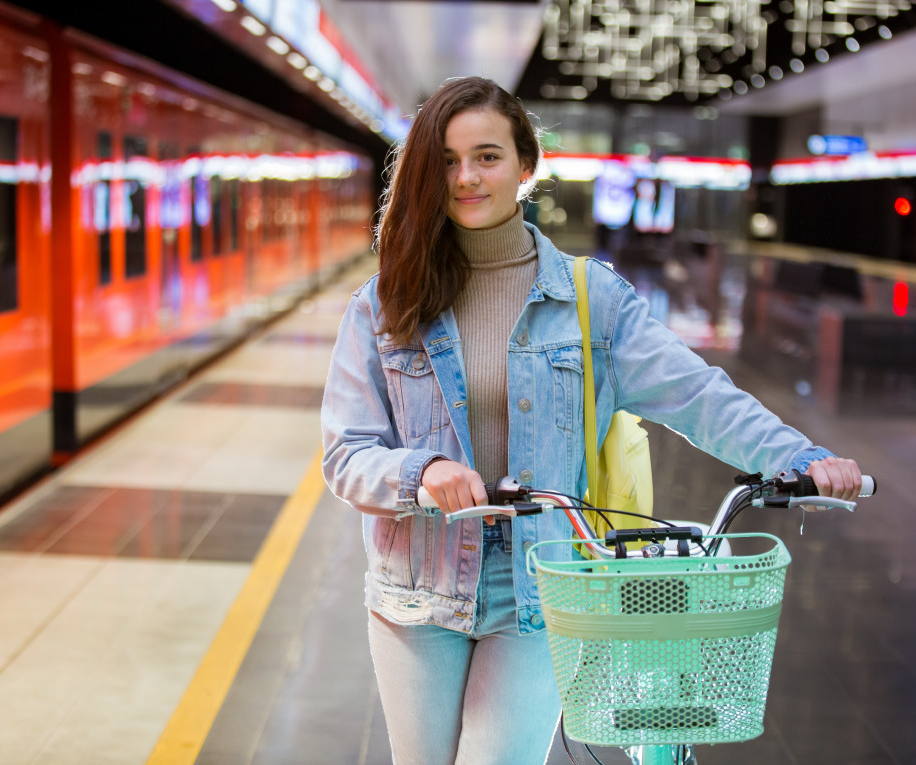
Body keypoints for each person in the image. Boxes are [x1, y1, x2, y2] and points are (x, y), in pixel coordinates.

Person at [320, 76, 864, 765]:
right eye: (448, 161)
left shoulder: (590, 300)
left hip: (540, 587)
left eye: (486, 156)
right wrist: (419, 471)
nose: (466, 177)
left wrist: (801, 456)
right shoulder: (384, 304)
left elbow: (698, 393)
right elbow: (346, 453)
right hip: (415, 592)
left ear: (526, 165)